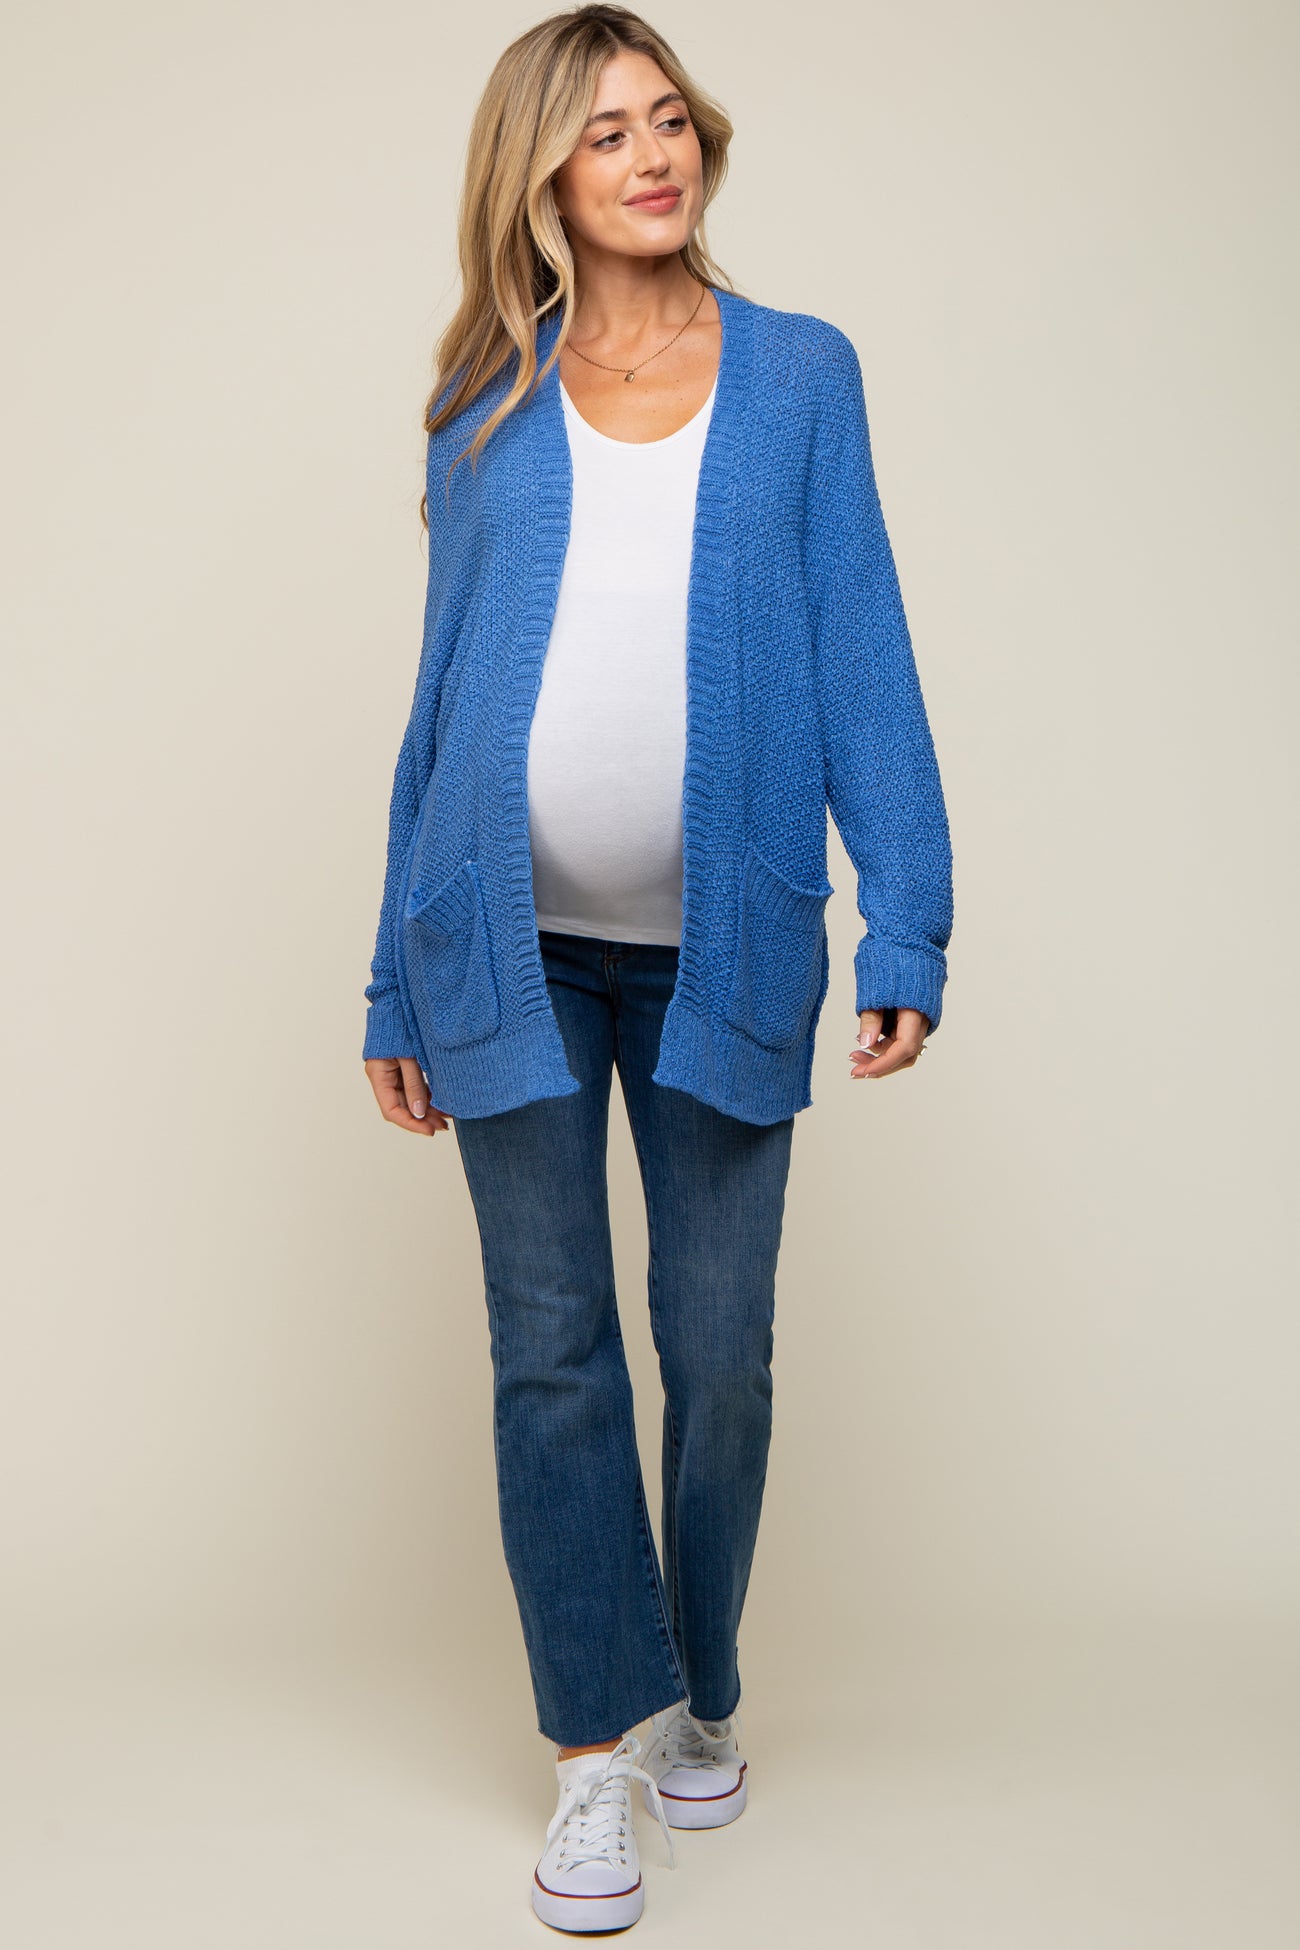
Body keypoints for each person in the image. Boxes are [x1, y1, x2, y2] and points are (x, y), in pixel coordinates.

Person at [361, 4, 954, 1933]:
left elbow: (860, 636)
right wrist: (389, 981)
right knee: (550, 1350)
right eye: (606, 129)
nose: (651, 153)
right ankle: (591, 1758)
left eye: (669, 118)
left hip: (728, 940)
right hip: (503, 943)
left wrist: (908, 912)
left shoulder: (798, 375)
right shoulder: (482, 400)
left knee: (718, 1352)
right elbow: (441, 701)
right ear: (541, 170)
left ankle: (700, 1679)